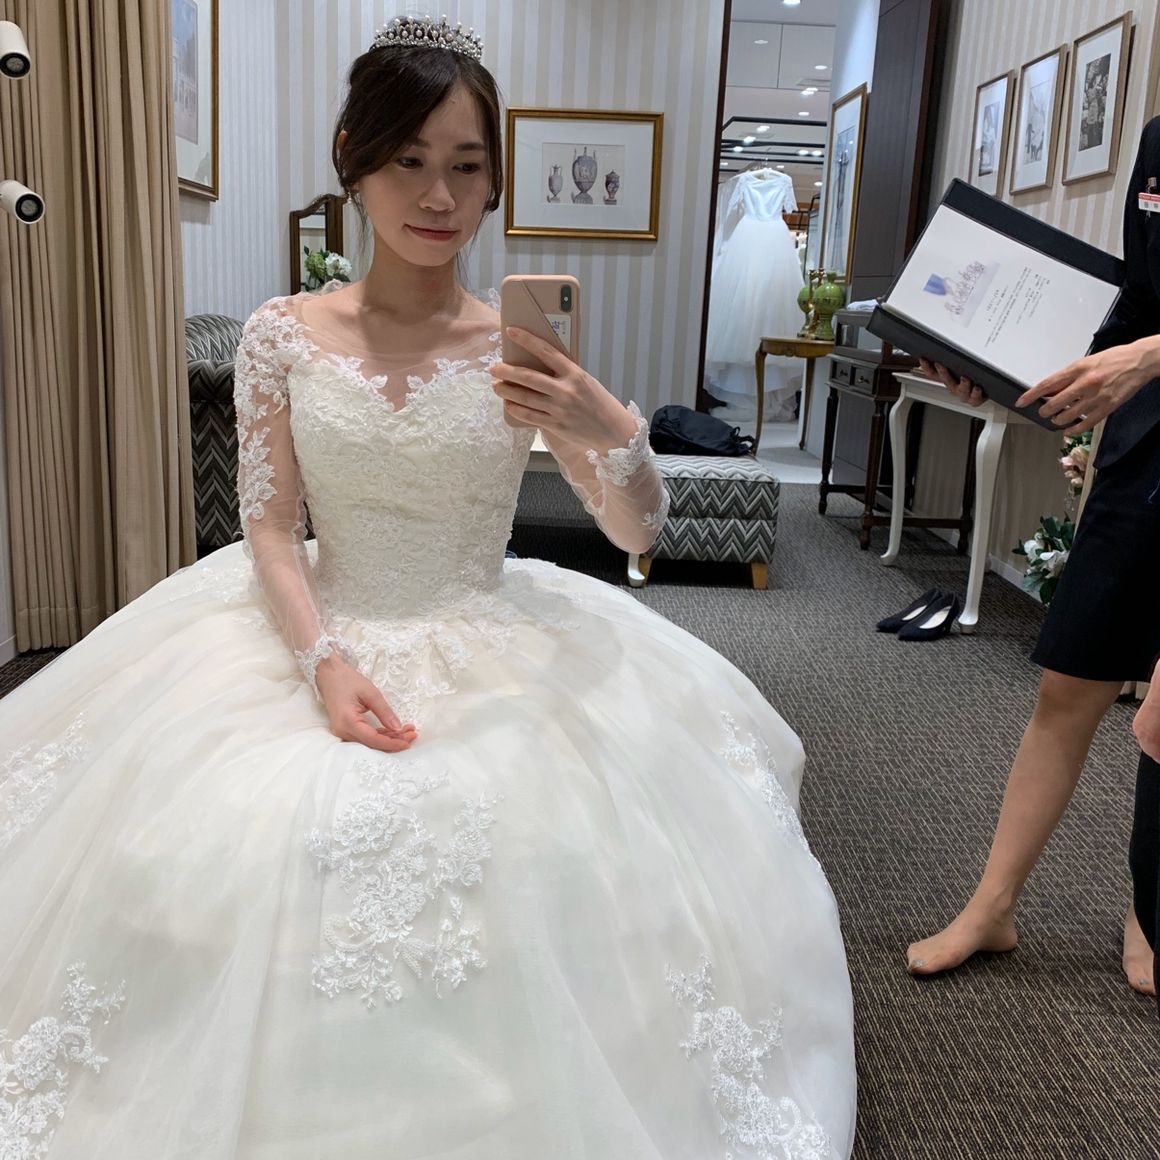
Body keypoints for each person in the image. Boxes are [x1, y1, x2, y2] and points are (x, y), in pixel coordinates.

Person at [0, 17, 856, 1158]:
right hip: (316, 622)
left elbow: (635, 531)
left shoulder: (516, 344)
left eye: (465, 165)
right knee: (227, 847)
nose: (437, 195)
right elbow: (267, 523)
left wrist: (607, 427)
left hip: (486, 622)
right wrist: (323, 661)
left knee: (546, 854)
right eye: (408, 159)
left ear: (495, 183)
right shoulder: (280, 336)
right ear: (352, 159)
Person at [907, 115, 1160, 994]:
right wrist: (1004, 368)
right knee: (1069, 683)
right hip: (1146, 452)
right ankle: (993, 905)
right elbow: (1137, 302)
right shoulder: (1159, 140)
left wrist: (1152, 356)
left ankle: (1148, 909)